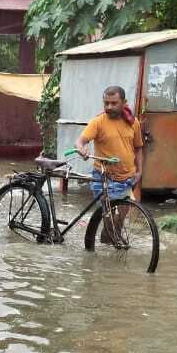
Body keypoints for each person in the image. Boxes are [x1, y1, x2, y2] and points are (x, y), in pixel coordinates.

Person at [75, 86, 144, 240]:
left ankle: (108, 245)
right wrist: (81, 149)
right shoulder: (98, 122)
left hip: (127, 178)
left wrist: (140, 171)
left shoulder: (133, 122)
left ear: (124, 103)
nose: (109, 107)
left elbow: (139, 147)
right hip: (104, 178)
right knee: (110, 219)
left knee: (118, 223)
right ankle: (105, 249)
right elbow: (80, 141)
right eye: (106, 103)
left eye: (114, 103)